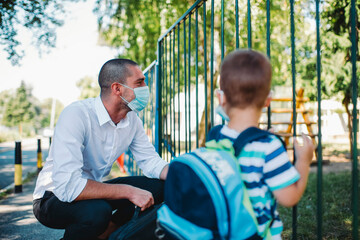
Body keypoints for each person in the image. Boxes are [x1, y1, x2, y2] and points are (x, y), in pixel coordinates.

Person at [33, 59, 169, 240]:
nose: (146, 87)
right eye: (139, 82)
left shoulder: (132, 120)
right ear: (117, 88)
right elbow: (69, 186)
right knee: (97, 213)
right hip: (53, 196)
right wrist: (130, 191)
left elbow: (150, 161)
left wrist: (183, 175)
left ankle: (105, 234)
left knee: (162, 186)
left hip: (92, 189)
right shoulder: (77, 115)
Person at [214, 49, 314, 239]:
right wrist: (304, 161)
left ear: (221, 98)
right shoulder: (268, 147)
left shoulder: (216, 139)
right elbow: (289, 197)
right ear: (268, 99)